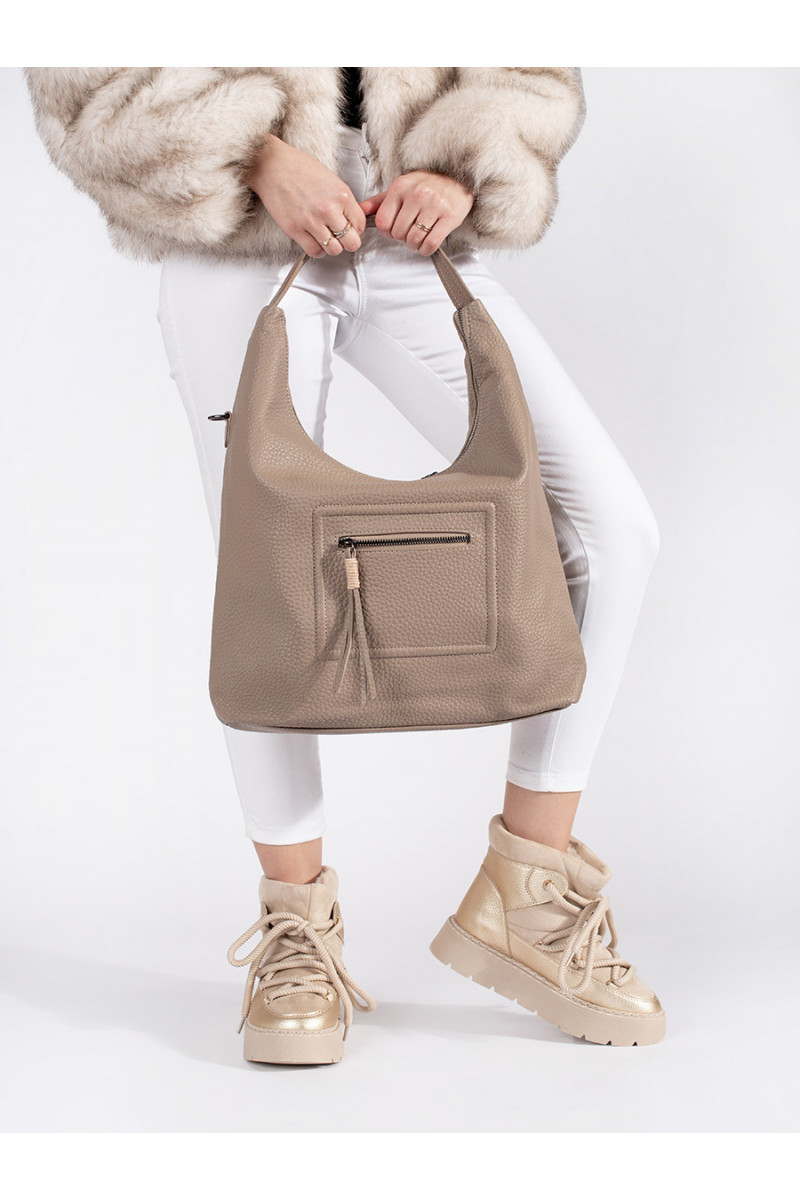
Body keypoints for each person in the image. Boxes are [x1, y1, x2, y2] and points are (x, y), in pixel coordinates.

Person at [24, 67, 666, 1065]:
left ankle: (528, 890)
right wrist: (251, 154)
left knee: (612, 529)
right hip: (237, 230)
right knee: (267, 586)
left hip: (412, 218)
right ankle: (295, 929)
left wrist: (465, 162)